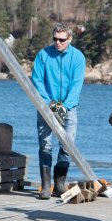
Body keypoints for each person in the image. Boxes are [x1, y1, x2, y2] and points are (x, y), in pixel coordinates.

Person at [31, 23, 86, 200]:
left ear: (69, 39)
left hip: (69, 109)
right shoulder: (43, 55)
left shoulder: (78, 57)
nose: (57, 42)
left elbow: (77, 84)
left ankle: (59, 185)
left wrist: (65, 106)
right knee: (45, 145)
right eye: (55, 39)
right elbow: (37, 80)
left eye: (61, 40)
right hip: (46, 107)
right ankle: (46, 187)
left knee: (67, 145)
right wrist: (50, 104)